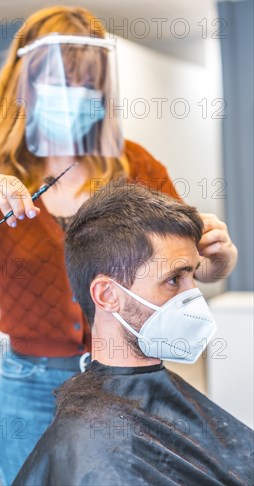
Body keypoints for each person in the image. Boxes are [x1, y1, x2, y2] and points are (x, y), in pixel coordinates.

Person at [0, 6, 238, 485]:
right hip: (30, 389)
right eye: (61, 82)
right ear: (23, 85)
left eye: (87, 84)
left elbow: (183, 270)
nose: (75, 96)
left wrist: (217, 262)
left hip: (126, 380)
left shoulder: (133, 165)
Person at [13, 180, 252, 486]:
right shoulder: (92, 445)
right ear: (108, 295)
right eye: (173, 280)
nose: (194, 298)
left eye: (192, 275)